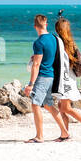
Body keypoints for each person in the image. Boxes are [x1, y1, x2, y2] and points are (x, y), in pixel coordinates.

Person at [25, 13, 70, 142]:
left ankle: (39, 136)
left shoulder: (39, 42)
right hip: (52, 76)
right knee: (49, 105)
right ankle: (64, 133)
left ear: (35, 26)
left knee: (35, 104)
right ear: (46, 24)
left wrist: (31, 84)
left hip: (43, 77)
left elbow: (37, 64)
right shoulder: (55, 38)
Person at [53, 17, 81, 141]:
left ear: (57, 29)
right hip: (68, 78)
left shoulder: (60, 43)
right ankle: (64, 134)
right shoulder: (70, 43)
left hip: (65, 79)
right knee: (62, 107)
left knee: (65, 108)